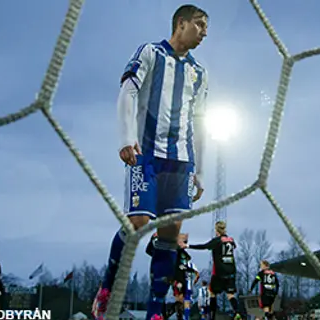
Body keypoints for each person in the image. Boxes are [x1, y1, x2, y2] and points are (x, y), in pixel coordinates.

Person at [92, 4, 209, 320]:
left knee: (170, 234)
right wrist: (125, 137)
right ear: (180, 23)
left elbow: (199, 122)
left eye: (206, 27)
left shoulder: (200, 73)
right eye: (199, 24)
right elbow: (127, 92)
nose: (204, 32)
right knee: (139, 224)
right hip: (147, 153)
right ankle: (106, 290)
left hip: (181, 161)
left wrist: (198, 169)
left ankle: (155, 312)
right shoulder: (150, 53)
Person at [188, 221, 241, 320]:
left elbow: (204, 246)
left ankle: (212, 316)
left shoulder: (217, 240)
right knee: (230, 295)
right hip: (231, 270)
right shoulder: (231, 240)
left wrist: (188, 246)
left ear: (216, 230)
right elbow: (234, 246)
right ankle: (237, 312)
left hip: (220, 271)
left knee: (212, 292)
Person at [146, 233, 200, 320]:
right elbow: (149, 251)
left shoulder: (182, 254)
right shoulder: (174, 249)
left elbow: (185, 265)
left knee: (180, 301)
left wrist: (194, 271)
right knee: (178, 299)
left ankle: (167, 316)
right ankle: (164, 315)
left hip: (180, 278)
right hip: (175, 278)